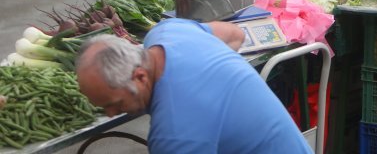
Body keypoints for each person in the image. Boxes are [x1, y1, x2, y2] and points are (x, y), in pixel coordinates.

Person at [76, 19, 312, 153]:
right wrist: (211, 83)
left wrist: (197, 100)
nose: (111, 115)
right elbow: (235, 34)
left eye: (115, 104)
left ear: (139, 76)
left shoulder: (176, 133)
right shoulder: (168, 31)